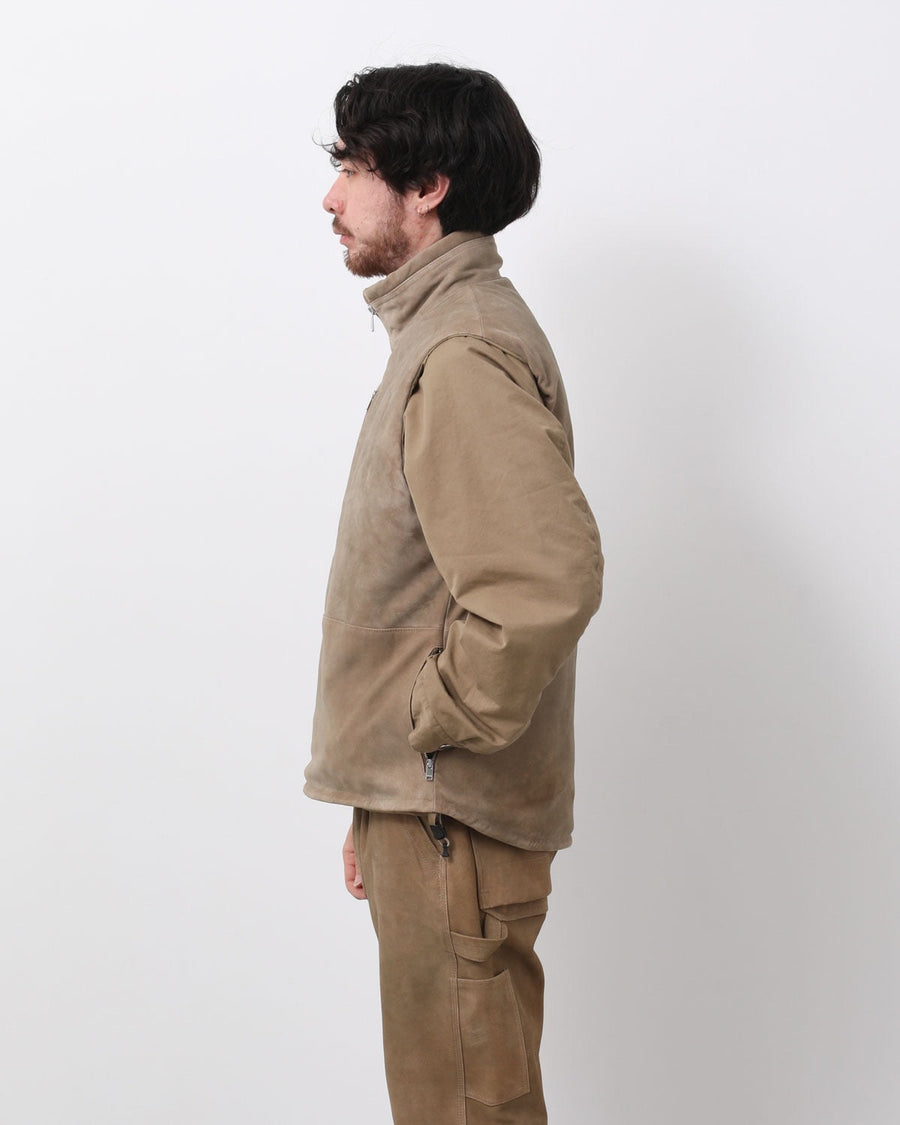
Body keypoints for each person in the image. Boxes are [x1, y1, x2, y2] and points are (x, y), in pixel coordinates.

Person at [304, 63, 603, 1125]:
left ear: (427, 186)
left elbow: (542, 582)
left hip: (448, 813)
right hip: (429, 810)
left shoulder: (462, 349)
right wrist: (377, 790)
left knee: (464, 1111)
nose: (332, 195)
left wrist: (425, 733)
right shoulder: (442, 335)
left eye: (353, 167)